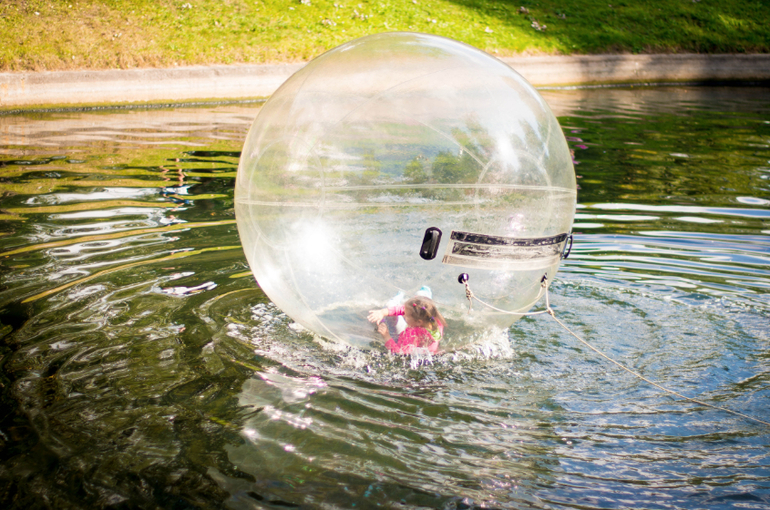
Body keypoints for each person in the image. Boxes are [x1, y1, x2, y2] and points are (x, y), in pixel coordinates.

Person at [368, 295, 446, 354]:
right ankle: (425, 292)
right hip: (421, 346)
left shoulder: (413, 335)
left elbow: (399, 353)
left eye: (407, 315)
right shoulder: (434, 319)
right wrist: (383, 312)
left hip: (400, 341)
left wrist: (386, 336)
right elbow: (406, 309)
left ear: (418, 322)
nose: (403, 315)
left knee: (389, 305)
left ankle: (398, 297)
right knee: (421, 299)